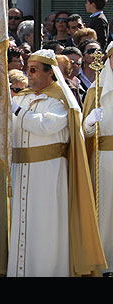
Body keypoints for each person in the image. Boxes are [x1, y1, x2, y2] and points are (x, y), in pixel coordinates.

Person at [6, 49, 105, 276]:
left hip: (48, 173)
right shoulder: (22, 97)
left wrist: (17, 111)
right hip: (21, 170)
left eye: (33, 70)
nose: (28, 75)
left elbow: (46, 126)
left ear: (49, 73)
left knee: (45, 227)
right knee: (23, 225)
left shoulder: (61, 101)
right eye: (27, 70)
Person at [82, 42, 113, 276]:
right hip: (105, 159)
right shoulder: (96, 90)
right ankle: (104, 262)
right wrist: (90, 122)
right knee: (105, 212)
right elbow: (85, 132)